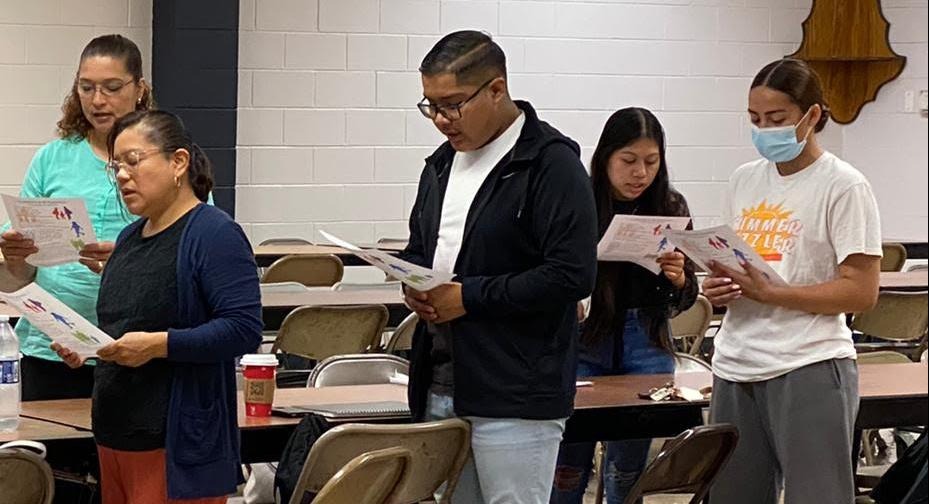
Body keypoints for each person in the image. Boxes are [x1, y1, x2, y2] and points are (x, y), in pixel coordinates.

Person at [400, 31, 598, 503]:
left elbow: (571, 275)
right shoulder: (442, 164)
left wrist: (467, 296)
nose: (441, 120)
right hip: (444, 378)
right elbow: (420, 247)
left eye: (452, 104)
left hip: (517, 389)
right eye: (430, 106)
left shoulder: (551, 165)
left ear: (496, 89)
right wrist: (410, 280)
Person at [54, 110, 262, 503]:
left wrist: (158, 345)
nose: (121, 176)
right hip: (116, 434)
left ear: (178, 162)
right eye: (116, 166)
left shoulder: (214, 233)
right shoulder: (130, 237)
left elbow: (242, 328)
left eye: (133, 161)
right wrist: (85, 347)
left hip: (174, 441)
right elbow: (124, 326)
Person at [705, 58, 882, 504]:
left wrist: (775, 293)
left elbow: (862, 290)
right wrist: (719, 288)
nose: (764, 129)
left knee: (816, 496)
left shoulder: (843, 185)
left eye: (777, 119)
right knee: (732, 495)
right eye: (755, 119)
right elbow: (734, 262)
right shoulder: (744, 180)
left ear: (813, 116)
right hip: (735, 362)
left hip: (808, 363)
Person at [550, 108, 699, 504]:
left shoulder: (669, 205)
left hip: (646, 341)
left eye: (652, 162)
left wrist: (679, 277)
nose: (640, 173)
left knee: (627, 469)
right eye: (628, 161)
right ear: (605, 157)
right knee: (567, 465)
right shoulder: (579, 199)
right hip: (584, 339)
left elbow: (685, 297)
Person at [0, 34, 153, 401]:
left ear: (140, 90)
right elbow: (14, 281)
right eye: (86, 88)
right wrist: (15, 259)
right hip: (50, 350)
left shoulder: (168, 161)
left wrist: (126, 259)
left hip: (137, 354)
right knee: (45, 458)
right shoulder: (53, 159)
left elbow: (197, 253)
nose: (98, 100)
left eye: (112, 87)